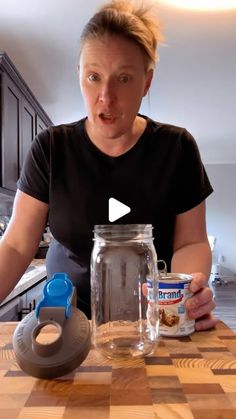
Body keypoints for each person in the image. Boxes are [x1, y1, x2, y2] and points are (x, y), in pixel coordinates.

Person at [0, 0, 216, 330]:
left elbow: (191, 242)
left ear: (146, 82)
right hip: (65, 318)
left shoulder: (177, 148)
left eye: (124, 78)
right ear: (79, 76)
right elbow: (16, 245)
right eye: (93, 76)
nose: (106, 96)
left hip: (153, 322)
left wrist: (186, 296)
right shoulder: (51, 147)